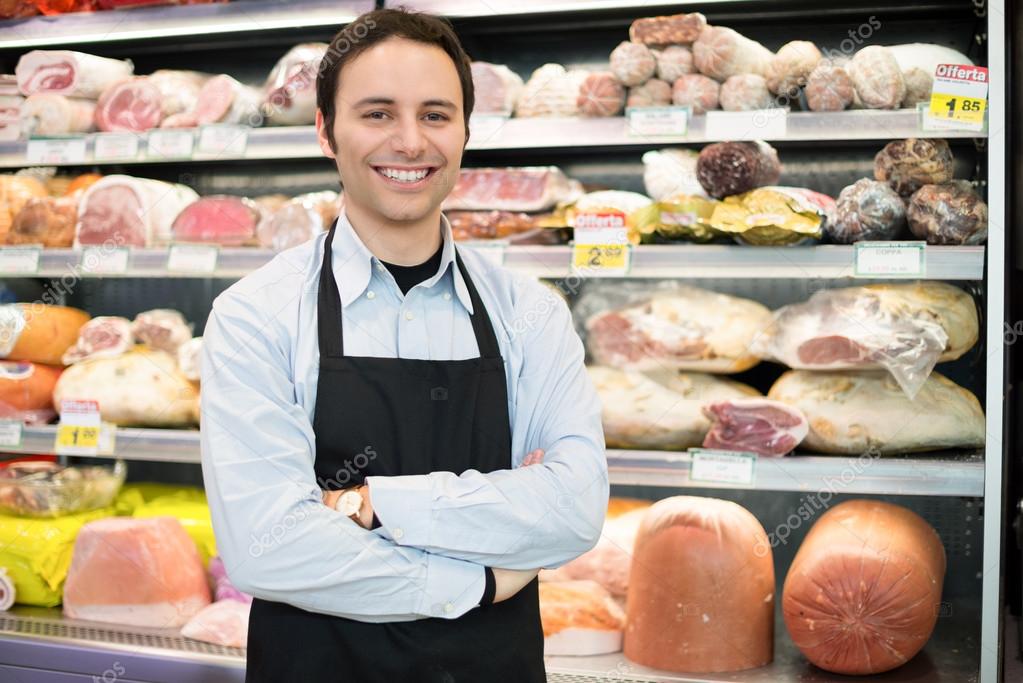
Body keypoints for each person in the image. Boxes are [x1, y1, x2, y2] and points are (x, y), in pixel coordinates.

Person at [200, 8, 608, 682]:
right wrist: (478, 577)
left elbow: (570, 510)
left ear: (466, 132)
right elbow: (266, 547)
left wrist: (370, 503)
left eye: (436, 115)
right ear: (326, 131)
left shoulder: (530, 314)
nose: (410, 141)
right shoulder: (255, 316)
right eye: (378, 113)